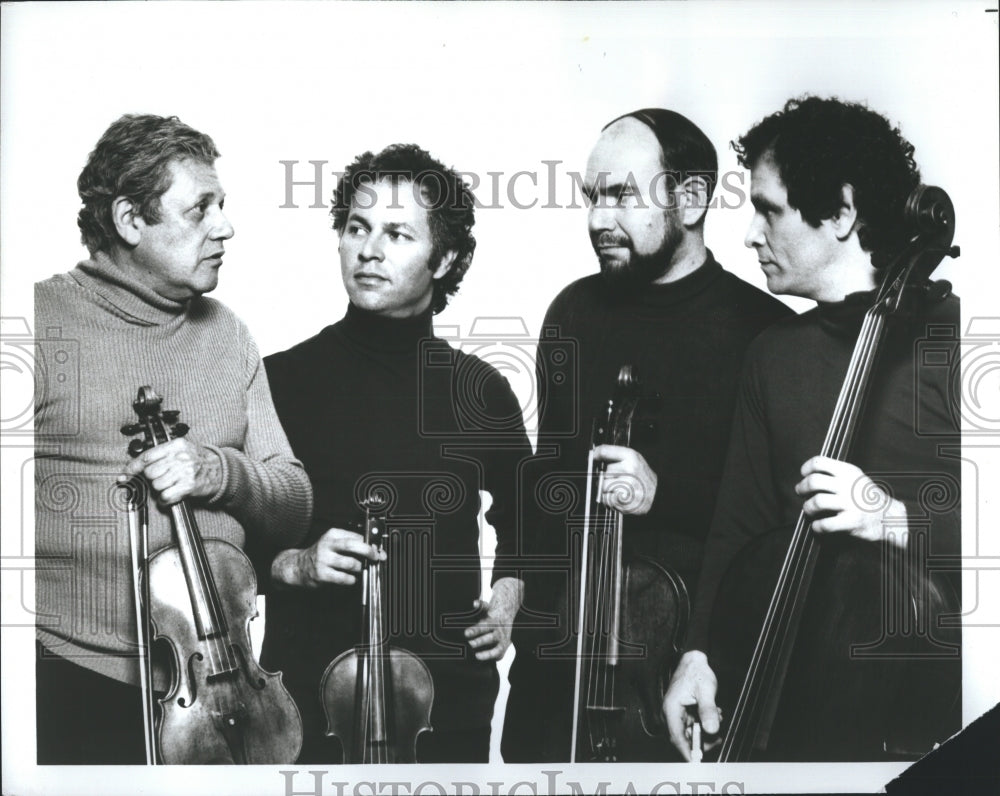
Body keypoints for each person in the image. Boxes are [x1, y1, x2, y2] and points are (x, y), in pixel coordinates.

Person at [663, 96, 962, 762]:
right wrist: (700, 653)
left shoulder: (959, 340)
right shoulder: (774, 354)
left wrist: (898, 519)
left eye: (768, 210)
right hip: (789, 703)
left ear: (842, 212)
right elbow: (737, 527)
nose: (748, 235)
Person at [501, 109, 793, 762]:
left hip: (682, 668)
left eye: (621, 195)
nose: (599, 220)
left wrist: (666, 493)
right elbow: (550, 479)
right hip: (561, 666)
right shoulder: (573, 311)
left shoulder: (764, 333)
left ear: (690, 199)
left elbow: (774, 526)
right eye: (591, 198)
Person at [34, 114, 313, 764]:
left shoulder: (227, 333)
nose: (225, 226)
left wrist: (218, 471)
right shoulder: (36, 323)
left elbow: (295, 498)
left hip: (225, 691)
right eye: (201, 210)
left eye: (223, 206)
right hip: (72, 687)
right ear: (131, 220)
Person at [256, 143, 532, 763]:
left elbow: (530, 518)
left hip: (444, 703)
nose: (369, 250)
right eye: (357, 227)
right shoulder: (275, 379)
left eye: (398, 234)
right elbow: (225, 539)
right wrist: (295, 564)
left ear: (447, 257)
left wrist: (508, 599)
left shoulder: (480, 389)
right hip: (308, 695)